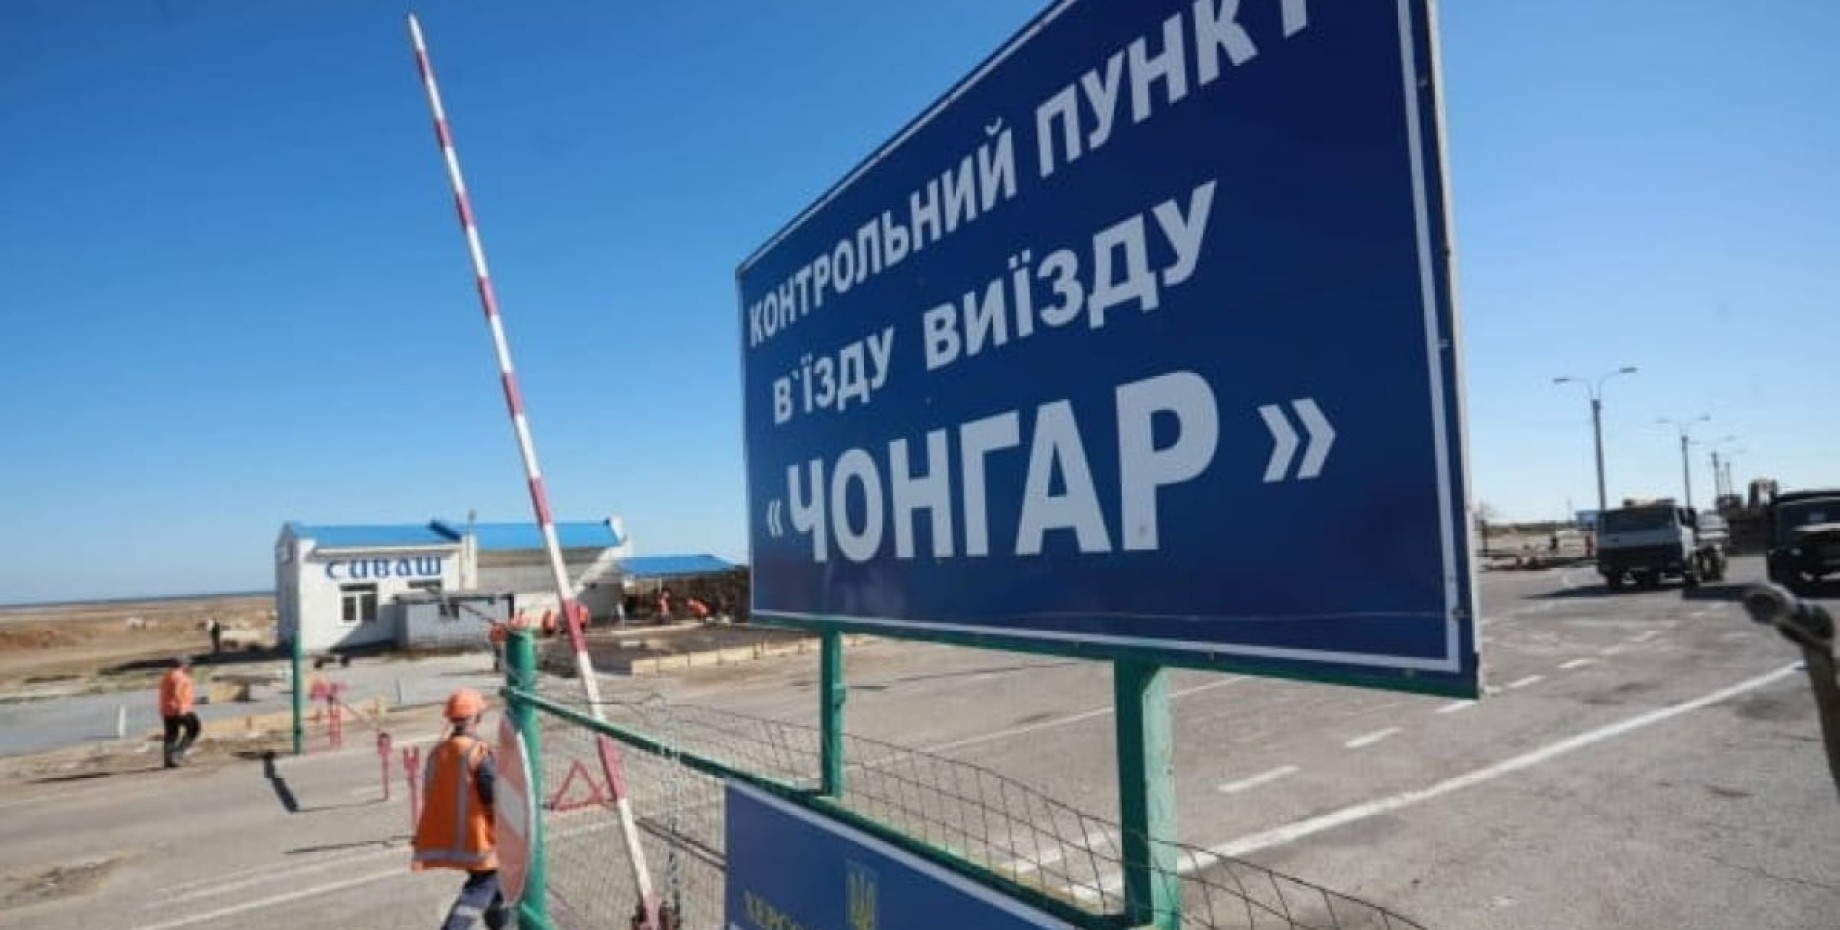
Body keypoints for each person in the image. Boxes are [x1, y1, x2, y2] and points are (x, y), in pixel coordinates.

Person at [413, 688, 508, 930]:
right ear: (476, 717)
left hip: (452, 835)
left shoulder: (438, 753)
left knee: (496, 883)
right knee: (484, 883)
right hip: (478, 836)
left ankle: (500, 925)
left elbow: (432, 792)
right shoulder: (477, 752)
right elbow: (491, 794)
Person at [159, 657, 201, 769]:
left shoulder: (168, 675)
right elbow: (176, 692)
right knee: (194, 728)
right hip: (179, 709)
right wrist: (182, 706)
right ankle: (177, 754)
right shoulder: (179, 676)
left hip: (167, 709)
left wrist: (192, 700)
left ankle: (169, 760)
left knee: (171, 734)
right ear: (182, 665)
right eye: (188, 664)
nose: (189, 667)